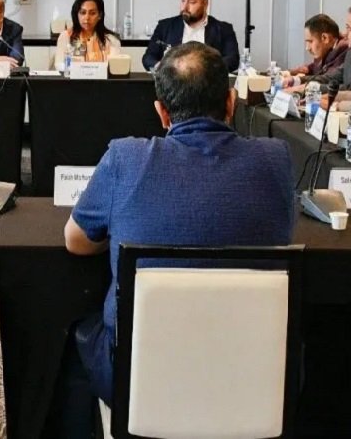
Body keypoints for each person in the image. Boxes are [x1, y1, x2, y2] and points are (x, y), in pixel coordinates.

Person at [63, 42, 295, 411]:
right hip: (253, 379)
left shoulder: (125, 158)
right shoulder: (276, 159)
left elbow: (75, 240)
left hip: (142, 382)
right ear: (231, 103)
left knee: (74, 344)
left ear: (161, 112)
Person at [141, 0, 239, 71]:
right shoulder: (164, 26)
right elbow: (148, 58)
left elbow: (233, 60)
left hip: (209, 82)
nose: (184, 7)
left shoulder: (224, 29)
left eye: (191, 2)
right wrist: (161, 67)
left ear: (205, 4)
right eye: (183, 1)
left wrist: (206, 69)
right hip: (172, 82)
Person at [53, 0, 122, 70]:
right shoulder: (66, 36)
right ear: (77, 14)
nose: (87, 17)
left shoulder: (111, 40)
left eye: (92, 13)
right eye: (83, 13)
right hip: (74, 78)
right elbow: (59, 65)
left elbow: (115, 68)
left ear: (100, 15)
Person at [285, 14, 349, 80]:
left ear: (325, 38)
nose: (307, 48)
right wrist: (290, 72)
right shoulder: (326, 50)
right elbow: (314, 68)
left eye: (310, 41)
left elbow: (327, 78)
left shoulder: (343, 51)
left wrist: (297, 80)